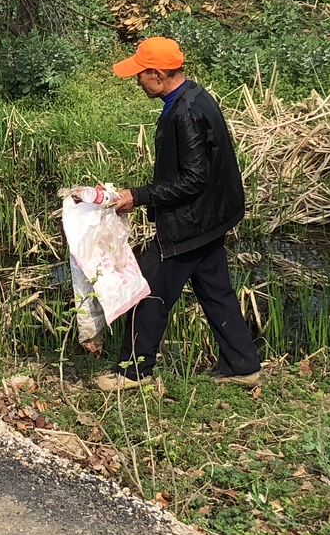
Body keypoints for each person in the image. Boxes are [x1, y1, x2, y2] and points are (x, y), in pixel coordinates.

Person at [96, 36, 263, 392]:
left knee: (148, 291)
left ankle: (133, 372)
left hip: (190, 223)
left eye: (140, 74)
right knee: (215, 291)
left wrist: (138, 196)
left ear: (157, 74)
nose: (137, 81)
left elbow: (193, 179)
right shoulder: (196, 96)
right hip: (212, 218)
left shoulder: (185, 112)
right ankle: (244, 365)